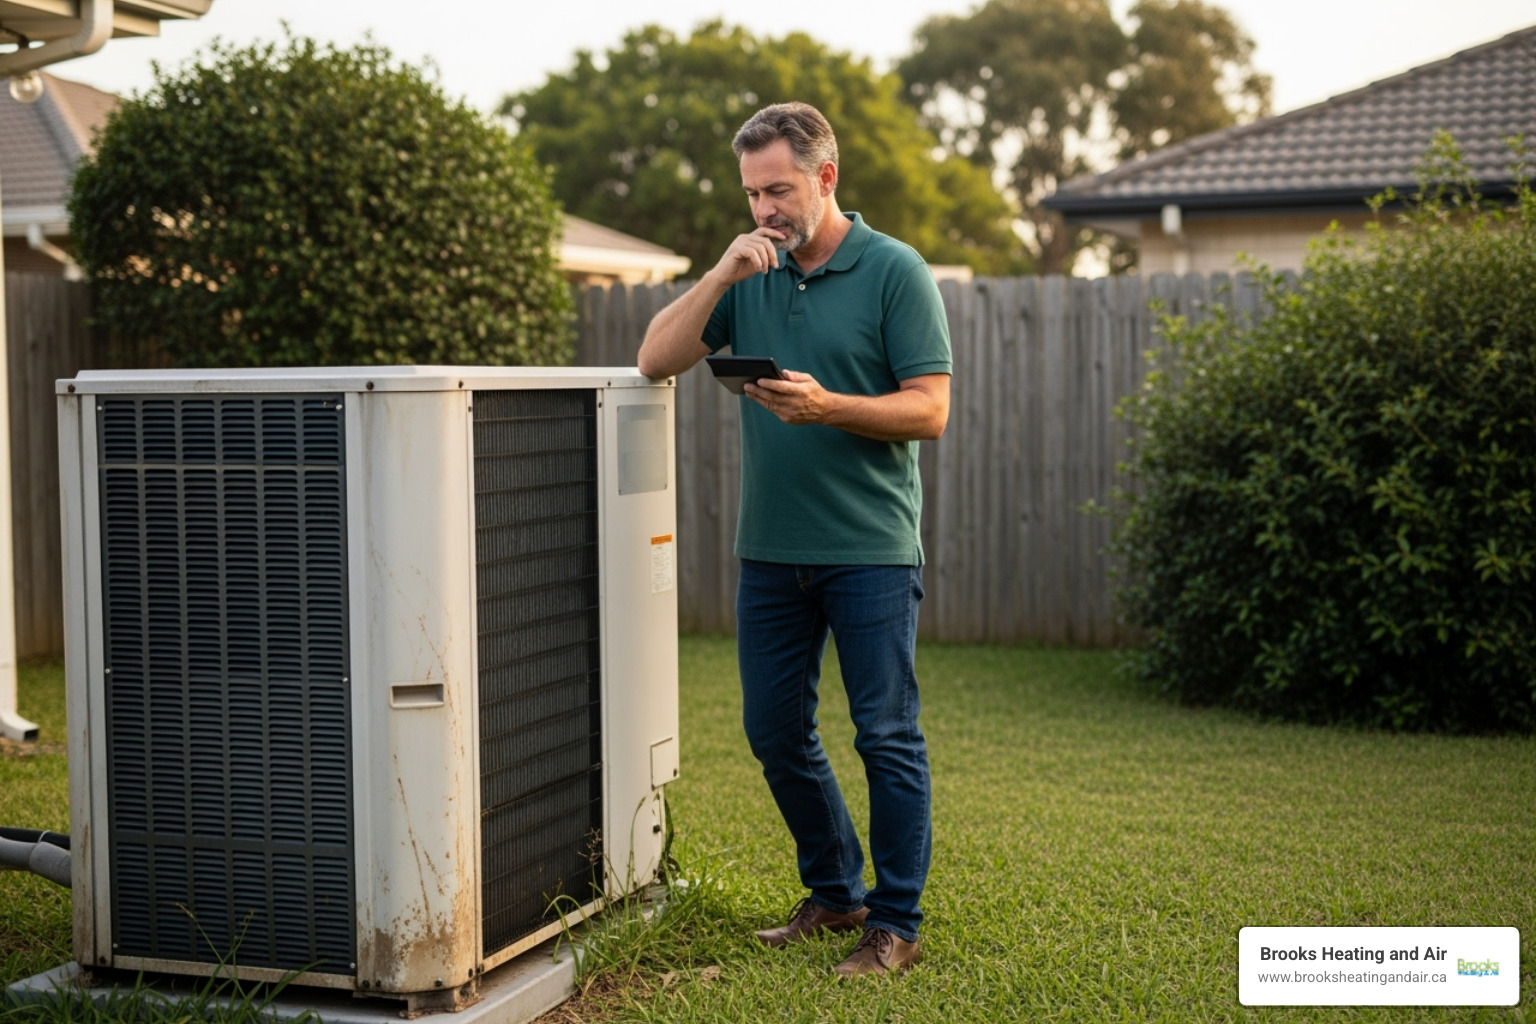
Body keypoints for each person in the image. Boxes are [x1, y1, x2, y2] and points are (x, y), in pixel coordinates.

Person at [637, 101, 950, 978]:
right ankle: (835, 890)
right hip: (769, 549)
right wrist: (720, 275)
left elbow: (930, 409)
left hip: (871, 548)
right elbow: (653, 358)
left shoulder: (896, 272)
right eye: (751, 193)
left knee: (885, 734)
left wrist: (827, 406)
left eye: (778, 190)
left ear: (825, 178)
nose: (765, 209)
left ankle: (896, 923)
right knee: (774, 730)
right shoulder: (750, 274)